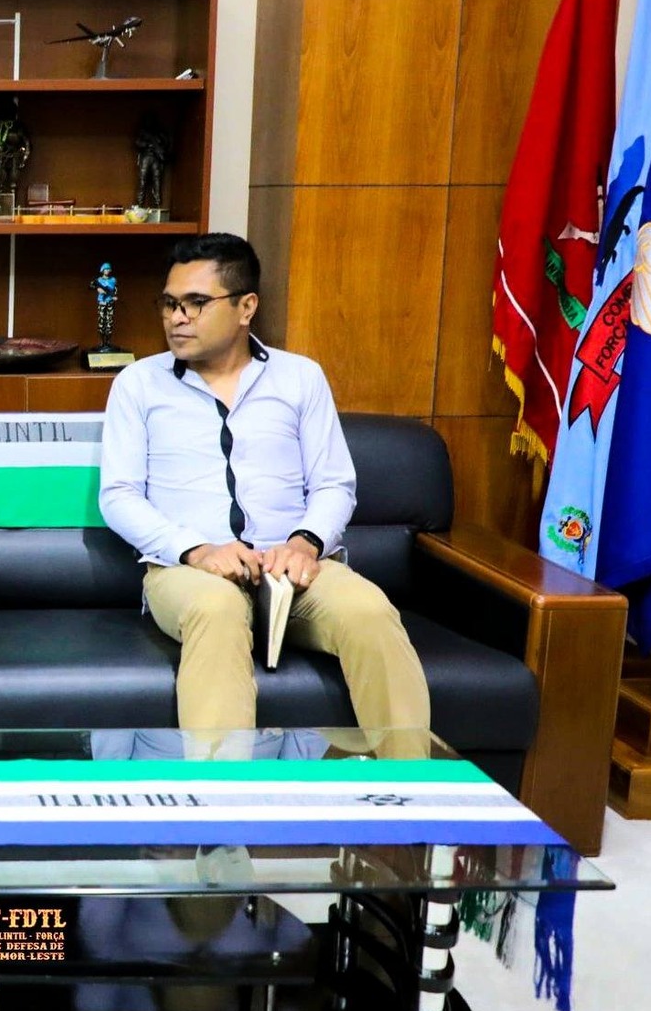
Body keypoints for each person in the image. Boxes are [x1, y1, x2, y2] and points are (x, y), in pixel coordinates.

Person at [98, 233, 430, 740]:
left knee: (369, 611)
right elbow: (119, 496)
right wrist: (198, 550)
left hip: (294, 571)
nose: (177, 318)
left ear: (246, 307)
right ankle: (223, 790)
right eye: (169, 303)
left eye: (195, 303)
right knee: (217, 608)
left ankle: (411, 781)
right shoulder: (138, 384)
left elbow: (334, 483)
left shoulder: (300, 378)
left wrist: (305, 543)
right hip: (189, 573)